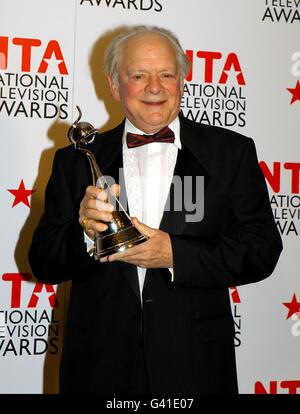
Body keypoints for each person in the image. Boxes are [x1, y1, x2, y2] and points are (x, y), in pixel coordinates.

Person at [28, 25, 282, 394]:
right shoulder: (77, 160)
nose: (154, 87)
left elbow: (261, 250)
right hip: (97, 368)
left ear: (182, 80)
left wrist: (174, 254)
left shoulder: (231, 153)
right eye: (139, 75)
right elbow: (44, 263)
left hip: (196, 366)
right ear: (114, 85)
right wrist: (85, 231)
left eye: (166, 74)